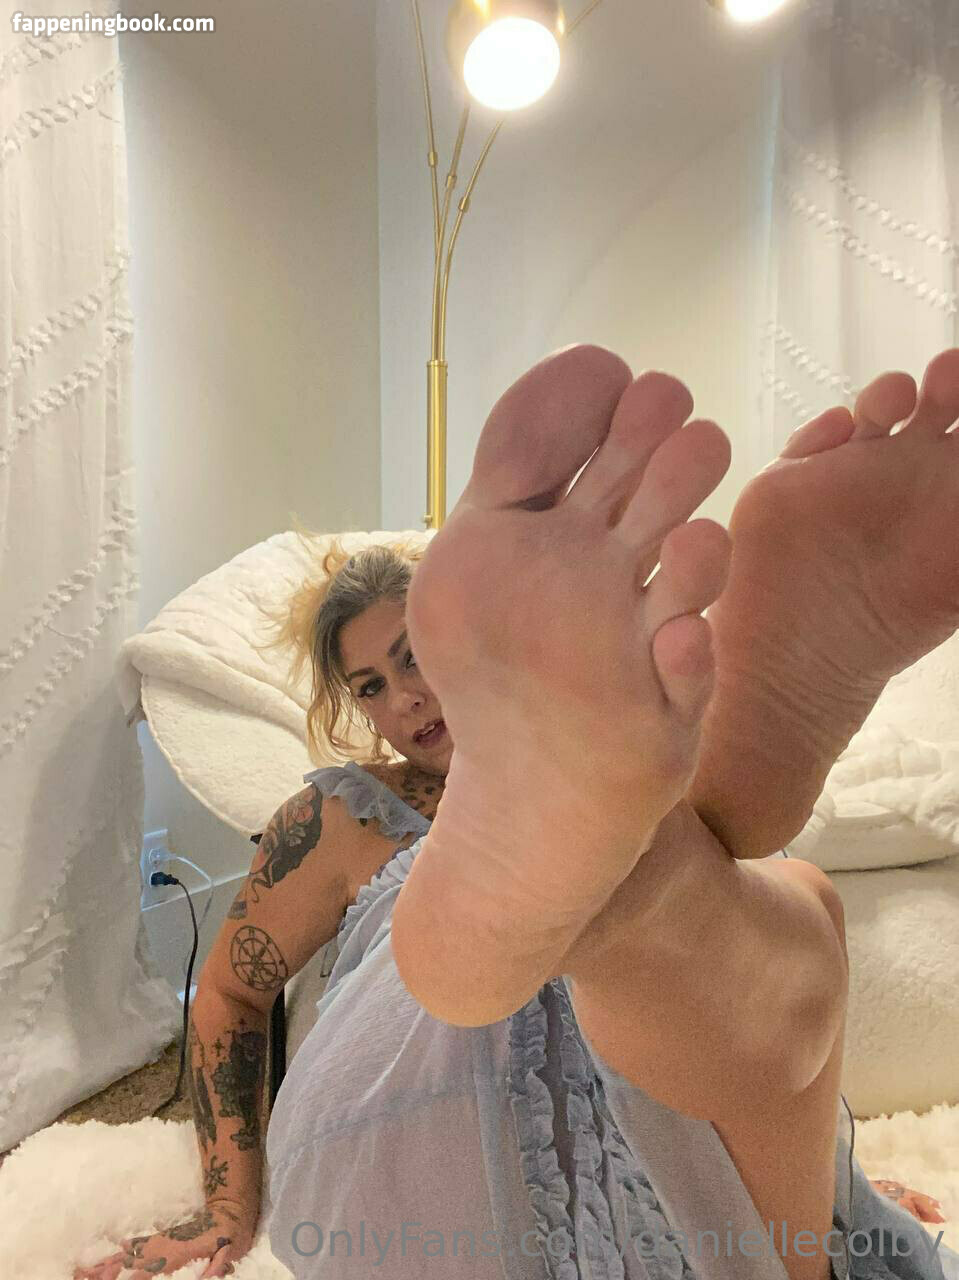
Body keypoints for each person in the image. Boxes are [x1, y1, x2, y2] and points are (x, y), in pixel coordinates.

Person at [75, 345, 959, 1280]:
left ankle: (642, 879)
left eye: (416, 657)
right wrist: (225, 1205)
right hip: (426, 1095)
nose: (404, 698)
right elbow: (229, 992)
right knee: (762, 891)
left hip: (664, 1069)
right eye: (370, 686)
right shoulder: (340, 813)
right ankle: (634, 869)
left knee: (777, 905)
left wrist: (822, 1169)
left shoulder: (628, 768)